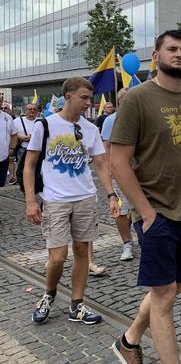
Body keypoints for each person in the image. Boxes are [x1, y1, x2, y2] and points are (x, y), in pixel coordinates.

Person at [110, 30, 181, 364]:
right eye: (172, 49)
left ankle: (128, 341)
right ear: (155, 57)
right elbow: (118, 161)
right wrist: (146, 212)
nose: (179, 54)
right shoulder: (138, 99)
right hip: (156, 211)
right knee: (165, 296)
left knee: (172, 289)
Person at [24, 77, 114, 326]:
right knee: (58, 257)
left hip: (85, 198)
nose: (89, 103)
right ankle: (49, 294)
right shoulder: (46, 125)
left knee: (83, 251)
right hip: (55, 200)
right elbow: (30, 165)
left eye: (90, 98)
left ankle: (77, 304)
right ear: (69, 97)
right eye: (84, 98)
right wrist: (31, 201)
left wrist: (111, 195)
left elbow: (101, 164)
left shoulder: (90, 129)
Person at [101, 88, 134, 262]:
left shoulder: (141, 117)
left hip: (140, 172)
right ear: (121, 103)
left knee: (138, 209)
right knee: (121, 210)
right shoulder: (110, 120)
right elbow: (106, 147)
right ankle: (127, 243)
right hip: (120, 172)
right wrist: (109, 170)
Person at [1, 102, 17, 187]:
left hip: (6, 152)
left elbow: (14, 134)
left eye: (5, 108)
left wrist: (12, 148)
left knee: (1, 183)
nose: (3, 109)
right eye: (2, 108)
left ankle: (11, 177)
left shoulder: (9, 118)